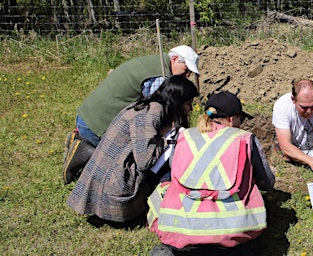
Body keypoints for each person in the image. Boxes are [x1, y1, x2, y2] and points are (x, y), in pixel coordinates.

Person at [147, 91, 275, 256]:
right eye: (241, 119)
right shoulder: (244, 138)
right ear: (231, 119)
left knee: (165, 187)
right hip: (234, 234)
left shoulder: (184, 136)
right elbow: (267, 182)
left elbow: (174, 172)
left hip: (181, 232)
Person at [66, 76, 199, 223]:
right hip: (114, 188)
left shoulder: (147, 106)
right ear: (177, 101)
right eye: (188, 104)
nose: (191, 109)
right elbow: (145, 161)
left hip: (108, 180)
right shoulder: (150, 114)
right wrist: (165, 138)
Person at [63, 45, 200, 184]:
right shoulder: (158, 77)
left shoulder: (155, 62)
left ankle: (84, 140)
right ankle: (86, 151)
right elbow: (155, 113)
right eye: (186, 69)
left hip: (87, 117)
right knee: (126, 165)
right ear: (175, 59)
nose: (188, 74)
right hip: (97, 126)